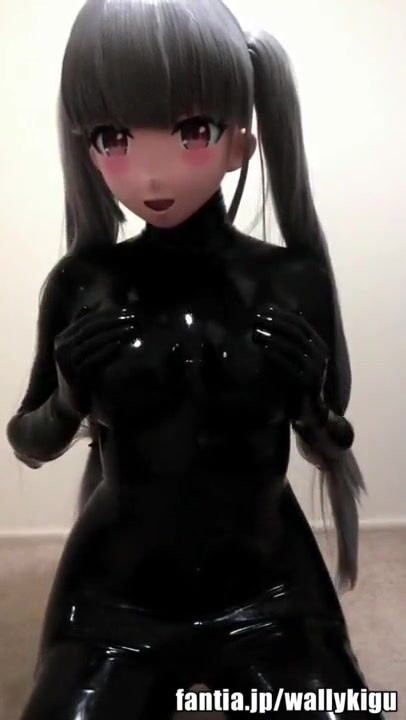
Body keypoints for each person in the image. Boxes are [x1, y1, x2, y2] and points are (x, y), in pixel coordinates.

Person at [6, 1, 383, 717]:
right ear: (86, 146)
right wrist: (67, 398)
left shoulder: (293, 280)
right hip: (116, 595)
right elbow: (29, 440)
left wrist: (310, 405)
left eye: (191, 132)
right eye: (114, 137)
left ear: (240, 141)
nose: (150, 172)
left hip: (269, 587)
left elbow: (331, 442)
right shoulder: (82, 285)